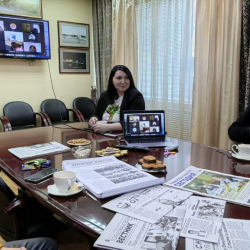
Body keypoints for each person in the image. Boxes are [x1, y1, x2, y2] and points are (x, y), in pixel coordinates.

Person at [89, 65, 145, 133]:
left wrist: (107, 127)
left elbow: (133, 122)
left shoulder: (136, 96)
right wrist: (93, 119)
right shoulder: (105, 95)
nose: (123, 81)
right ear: (112, 80)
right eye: (119, 78)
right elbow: (96, 114)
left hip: (122, 136)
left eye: (127, 78)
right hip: (101, 134)